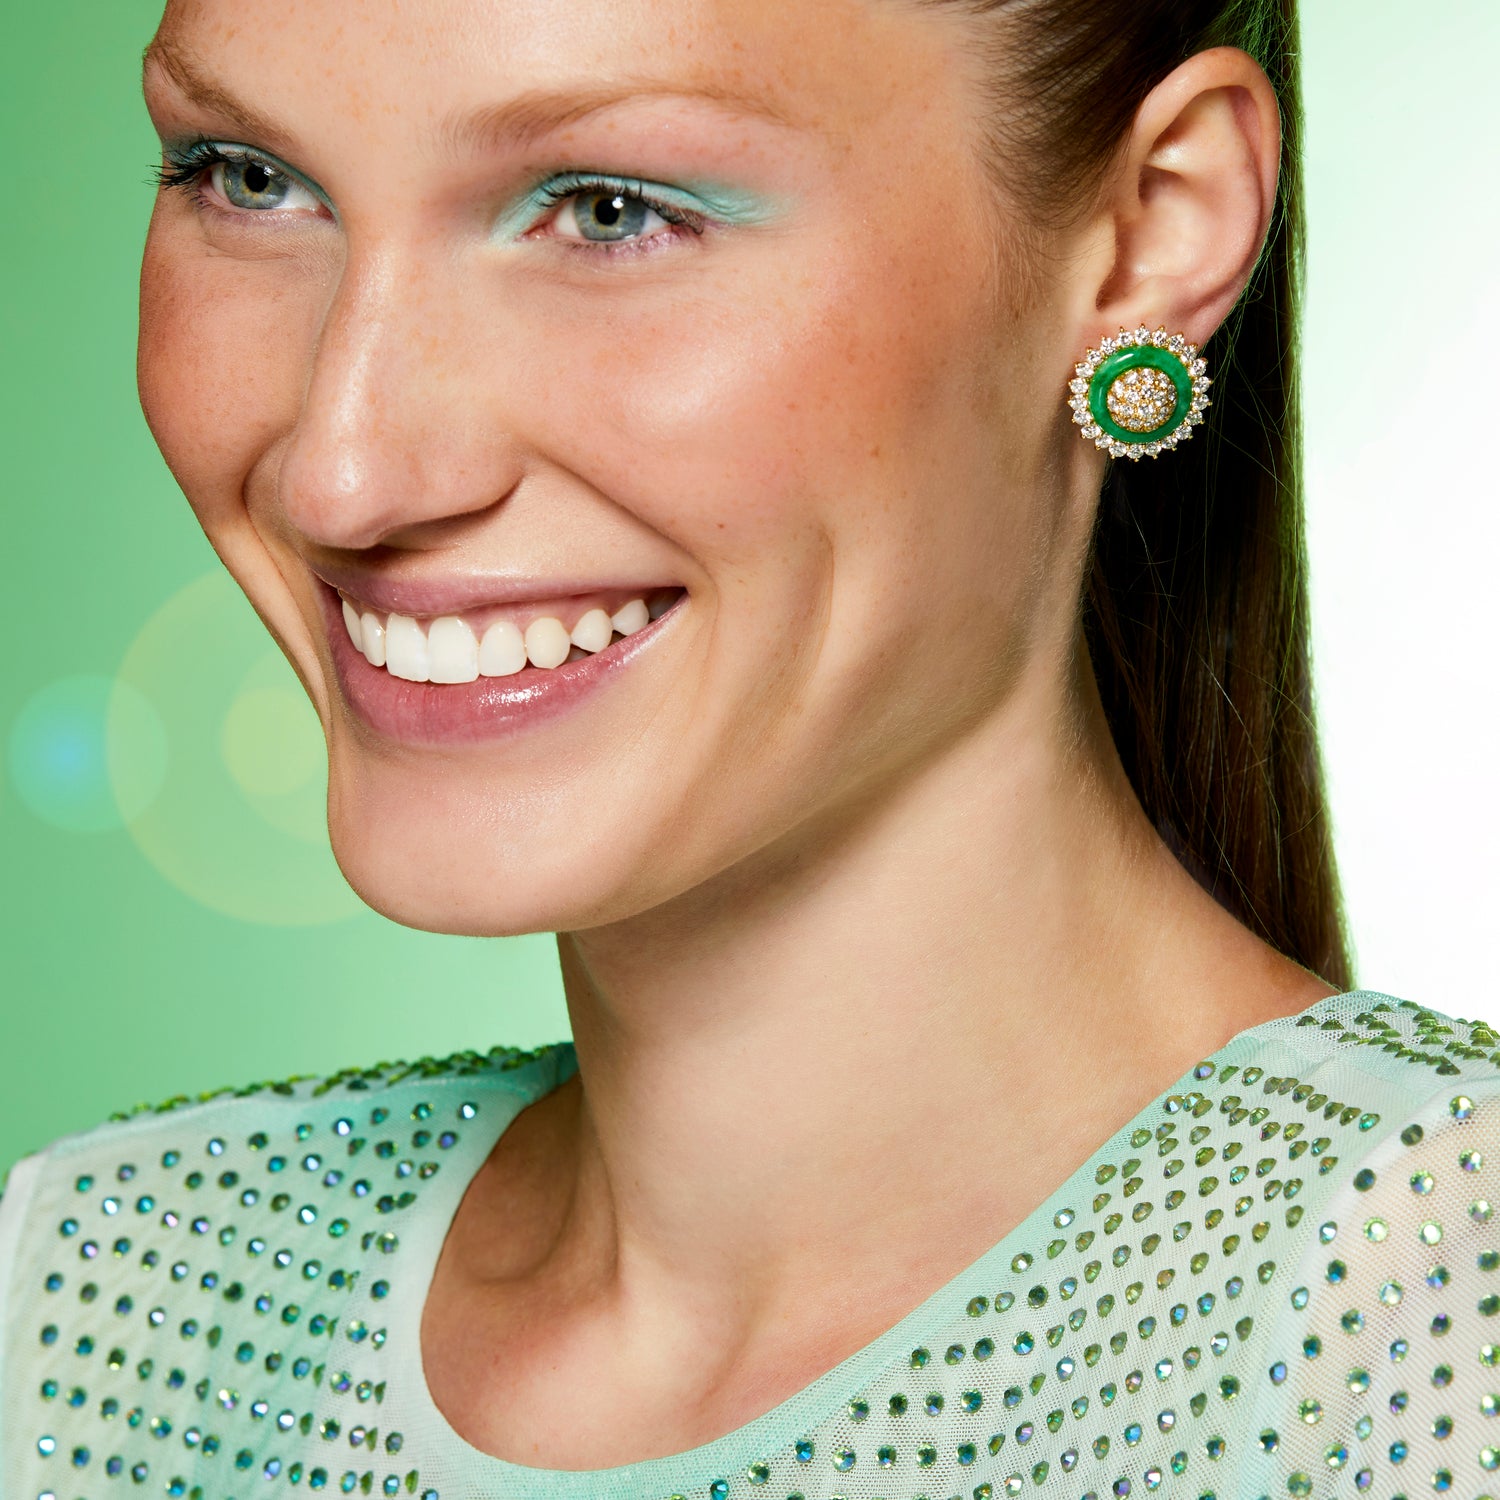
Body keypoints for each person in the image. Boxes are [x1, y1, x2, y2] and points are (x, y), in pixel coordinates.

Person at [1, 0, 1496, 1496]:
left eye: (610, 209)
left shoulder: (1425, 1316)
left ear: (1155, 233)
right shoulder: (107, 1297)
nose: (343, 472)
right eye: (248, 178)